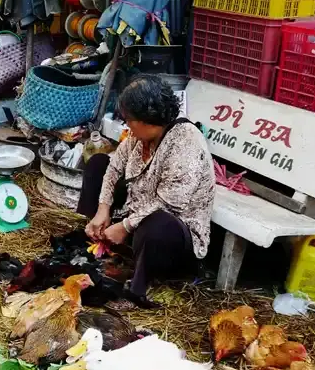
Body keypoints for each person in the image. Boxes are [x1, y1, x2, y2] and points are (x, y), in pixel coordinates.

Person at [78, 75, 215, 309]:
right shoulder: (138, 137)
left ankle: (138, 288)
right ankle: (95, 237)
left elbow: (170, 204)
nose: (127, 125)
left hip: (175, 238)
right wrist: (103, 209)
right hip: (138, 215)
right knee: (98, 164)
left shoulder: (185, 142)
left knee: (157, 223)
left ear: (147, 119)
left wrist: (125, 226)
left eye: (129, 120)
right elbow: (113, 169)